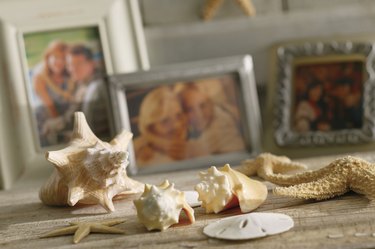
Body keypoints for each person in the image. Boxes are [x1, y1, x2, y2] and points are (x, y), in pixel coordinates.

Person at [42, 44, 110, 139]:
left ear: (91, 64)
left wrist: (50, 125)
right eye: (70, 65)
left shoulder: (93, 86)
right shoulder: (84, 83)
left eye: (78, 64)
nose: (72, 69)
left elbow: (71, 120)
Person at [178, 83, 245, 157]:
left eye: (202, 106)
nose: (198, 115)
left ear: (211, 104)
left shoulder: (223, 118)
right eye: (190, 109)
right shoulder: (189, 131)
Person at [33, 41, 75, 146]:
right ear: (48, 58)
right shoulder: (40, 77)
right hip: (48, 117)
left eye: (63, 58)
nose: (59, 62)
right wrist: (64, 126)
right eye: (56, 57)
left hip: (65, 117)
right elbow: (50, 107)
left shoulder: (70, 74)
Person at [134, 86, 188, 166]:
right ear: (151, 127)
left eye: (178, 115)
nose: (177, 125)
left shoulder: (190, 146)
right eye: (165, 121)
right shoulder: (146, 160)